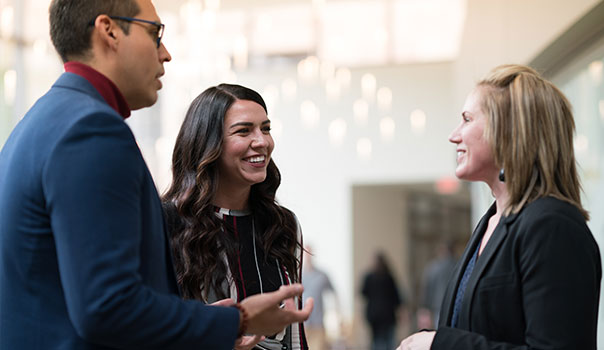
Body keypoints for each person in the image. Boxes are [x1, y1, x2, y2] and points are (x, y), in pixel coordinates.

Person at [0, 1, 312, 349]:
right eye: (155, 34)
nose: (165, 54)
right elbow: (107, 308)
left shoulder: (42, 121)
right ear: (109, 31)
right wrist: (236, 320)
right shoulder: (90, 129)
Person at [398, 64, 601, 350]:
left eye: (467, 120)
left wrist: (440, 345)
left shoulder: (553, 226)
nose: (454, 136)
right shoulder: (491, 221)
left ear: (509, 131)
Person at [162, 83, 309, 350]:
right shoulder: (166, 221)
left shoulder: (283, 224)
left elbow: (295, 335)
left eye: (265, 128)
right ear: (208, 143)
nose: (262, 141)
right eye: (244, 131)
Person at [361, 251, 404, 350]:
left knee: (377, 342)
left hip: (375, 315)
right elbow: (397, 297)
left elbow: (363, 293)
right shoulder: (388, 277)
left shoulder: (370, 277)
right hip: (387, 315)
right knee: (388, 341)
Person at [302, 245, 339, 350]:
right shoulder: (298, 276)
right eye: (305, 254)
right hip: (303, 324)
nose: (307, 256)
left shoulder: (322, 275)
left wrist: (336, 315)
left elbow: (334, 294)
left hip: (318, 323)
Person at [417, 240, 457, 329]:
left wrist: (424, 308)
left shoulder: (433, 268)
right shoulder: (458, 265)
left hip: (438, 306)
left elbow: (427, 289)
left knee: (441, 331)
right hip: (455, 304)